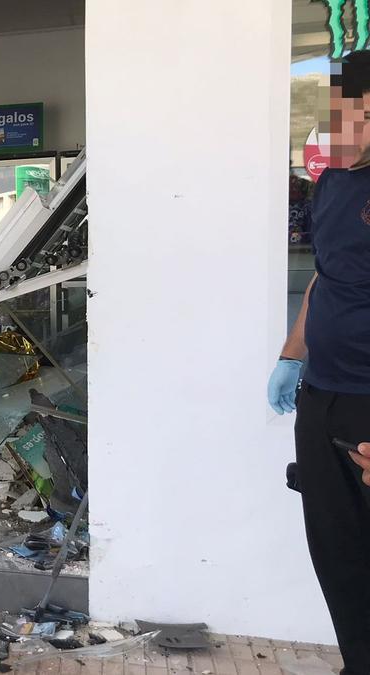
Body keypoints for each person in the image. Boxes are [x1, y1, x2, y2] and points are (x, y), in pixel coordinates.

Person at [268, 50, 370, 673]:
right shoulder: (332, 183)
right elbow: (323, 282)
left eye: (342, 109)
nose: (330, 126)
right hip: (322, 396)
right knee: (336, 554)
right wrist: (290, 357)